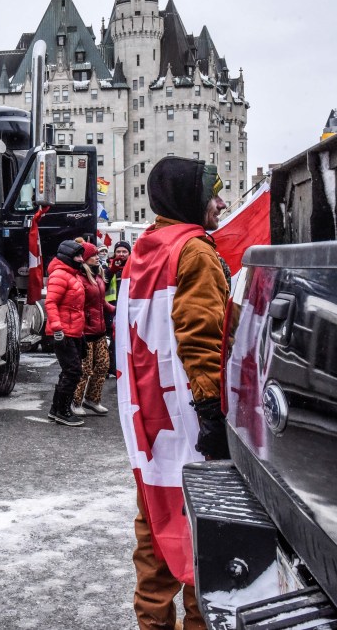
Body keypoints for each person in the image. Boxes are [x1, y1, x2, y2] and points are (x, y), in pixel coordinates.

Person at [115, 156, 228, 630]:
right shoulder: (195, 252)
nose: (221, 204)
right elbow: (200, 336)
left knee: (155, 539)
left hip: (150, 427)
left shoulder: (148, 246)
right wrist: (211, 414)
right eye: (213, 195)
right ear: (190, 199)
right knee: (207, 545)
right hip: (190, 424)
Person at [44, 239, 87, 427]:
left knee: (68, 371)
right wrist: (57, 328)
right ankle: (62, 411)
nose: (81, 259)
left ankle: (57, 409)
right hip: (64, 332)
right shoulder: (61, 275)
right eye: (77, 255)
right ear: (68, 257)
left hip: (73, 331)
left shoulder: (71, 274)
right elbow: (50, 302)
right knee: (73, 371)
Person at [71, 239, 111, 417]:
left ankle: (92, 399)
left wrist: (117, 310)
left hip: (99, 330)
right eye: (93, 255)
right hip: (85, 332)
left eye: (97, 254)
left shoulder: (98, 275)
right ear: (85, 259)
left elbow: (101, 302)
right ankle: (75, 401)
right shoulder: (80, 279)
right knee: (85, 370)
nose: (97, 257)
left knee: (103, 366)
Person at [105, 239, 131, 378]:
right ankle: (113, 368)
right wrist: (111, 271)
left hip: (128, 309)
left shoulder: (134, 267)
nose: (121, 254)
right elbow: (102, 286)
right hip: (112, 310)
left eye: (124, 251)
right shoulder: (108, 267)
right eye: (118, 251)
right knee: (113, 340)